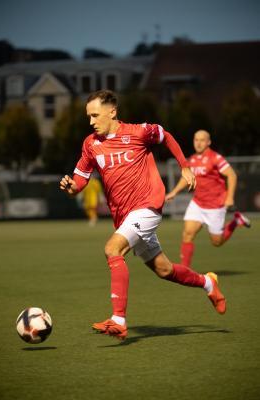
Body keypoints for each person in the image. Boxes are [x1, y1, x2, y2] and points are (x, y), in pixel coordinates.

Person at [60, 90, 226, 341]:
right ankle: (208, 283)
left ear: (112, 111)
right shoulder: (90, 144)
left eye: (95, 115)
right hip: (124, 215)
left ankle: (118, 319)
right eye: (88, 116)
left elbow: (166, 136)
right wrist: (70, 187)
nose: (91, 121)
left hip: (148, 206)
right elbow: (80, 180)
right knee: (164, 270)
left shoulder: (138, 132)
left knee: (112, 249)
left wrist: (185, 167)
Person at [166, 129, 250, 268]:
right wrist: (174, 192)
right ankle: (185, 270)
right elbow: (186, 176)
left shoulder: (215, 158)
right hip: (198, 203)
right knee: (187, 233)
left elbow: (232, 175)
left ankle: (235, 221)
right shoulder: (192, 159)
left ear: (209, 142)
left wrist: (229, 197)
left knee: (217, 242)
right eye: (196, 140)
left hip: (215, 205)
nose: (198, 143)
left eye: (202, 140)